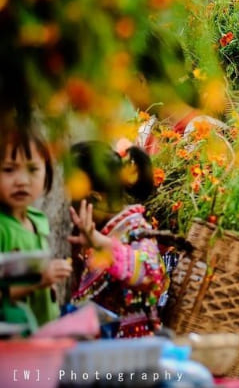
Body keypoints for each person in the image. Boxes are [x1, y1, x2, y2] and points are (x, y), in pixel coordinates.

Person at [67, 141, 168, 337]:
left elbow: (152, 273)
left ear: (94, 200)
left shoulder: (135, 229)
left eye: (72, 201)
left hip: (129, 352)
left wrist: (99, 242)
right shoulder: (105, 230)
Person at [0, 125, 72, 326]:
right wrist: (39, 281)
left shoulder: (37, 219)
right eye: (8, 170)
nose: (22, 181)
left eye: (33, 169)